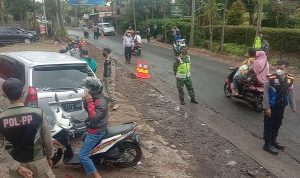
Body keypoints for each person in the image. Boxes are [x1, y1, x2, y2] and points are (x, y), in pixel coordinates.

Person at [0, 78, 55, 178]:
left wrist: (17, 167)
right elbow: (48, 139)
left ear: (4, 95)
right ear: (23, 92)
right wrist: (50, 156)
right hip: (39, 163)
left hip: (17, 167)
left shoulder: (1, 119)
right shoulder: (38, 113)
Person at [262, 59, 296, 155]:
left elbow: (290, 92)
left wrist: (293, 105)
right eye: (277, 68)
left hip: (281, 105)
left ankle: (273, 141)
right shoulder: (270, 78)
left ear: (287, 68)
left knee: (277, 123)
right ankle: (267, 144)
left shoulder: (289, 78)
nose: (279, 70)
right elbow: (265, 94)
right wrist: (267, 107)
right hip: (271, 105)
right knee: (269, 124)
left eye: (281, 68)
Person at [79, 77, 109, 178]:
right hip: (91, 128)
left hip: (96, 131)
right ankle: (93, 160)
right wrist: (86, 101)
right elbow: (89, 111)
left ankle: (96, 175)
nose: (87, 90)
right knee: (83, 138)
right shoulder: (95, 97)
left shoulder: (101, 101)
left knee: (82, 156)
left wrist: (90, 102)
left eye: (89, 88)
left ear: (94, 89)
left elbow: (94, 117)